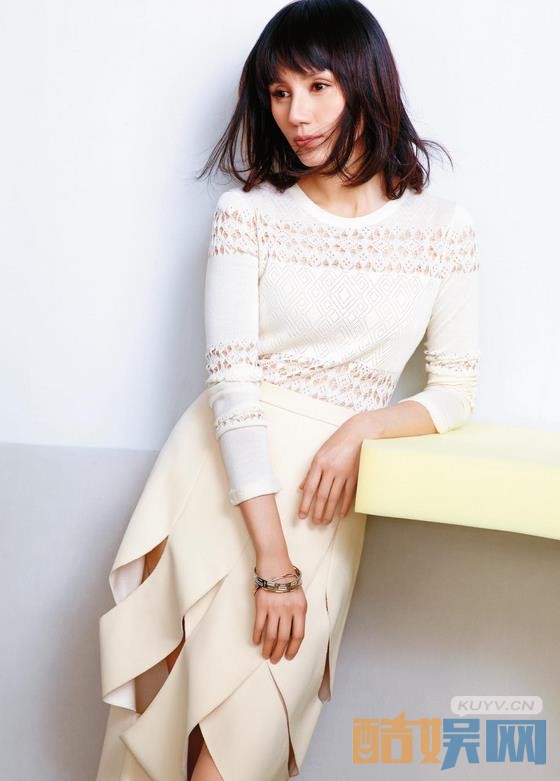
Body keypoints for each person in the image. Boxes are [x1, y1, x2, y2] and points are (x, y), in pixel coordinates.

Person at [94, 1, 480, 779]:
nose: (295, 115)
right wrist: (273, 564)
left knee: (239, 755)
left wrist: (363, 427)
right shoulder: (248, 215)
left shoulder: (443, 229)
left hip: (321, 509)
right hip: (220, 492)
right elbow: (232, 386)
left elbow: (456, 390)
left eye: (317, 87)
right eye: (278, 93)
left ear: (366, 85)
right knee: (163, 755)